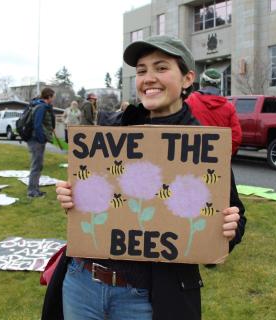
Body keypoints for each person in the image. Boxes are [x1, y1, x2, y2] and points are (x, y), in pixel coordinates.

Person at [42, 35, 246, 320]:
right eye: (141, 70)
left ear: (187, 79)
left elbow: (234, 215)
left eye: (161, 68)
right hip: (82, 283)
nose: (149, 78)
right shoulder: (111, 129)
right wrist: (70, 195)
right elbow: (92, 194)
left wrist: (228, 227)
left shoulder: (204, 145)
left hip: (144, 297)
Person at [185, 68, 242, 155]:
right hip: (217, 159)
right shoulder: (229, 107)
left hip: (193, 156)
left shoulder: (189, 101)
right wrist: (224, 154)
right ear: (219, 85)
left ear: (202, 83)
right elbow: (236, 137)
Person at [27, 88, 55, 198]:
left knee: (38, 165)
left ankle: (35, 189)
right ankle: (32, 192)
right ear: (49, 96)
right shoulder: (41, 107)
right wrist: (41, 139)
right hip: (36, 140)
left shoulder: (41, 105)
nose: (53, 99)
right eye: (53, 97)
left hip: (36, 139)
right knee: (36, 165)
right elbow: (37, 125)